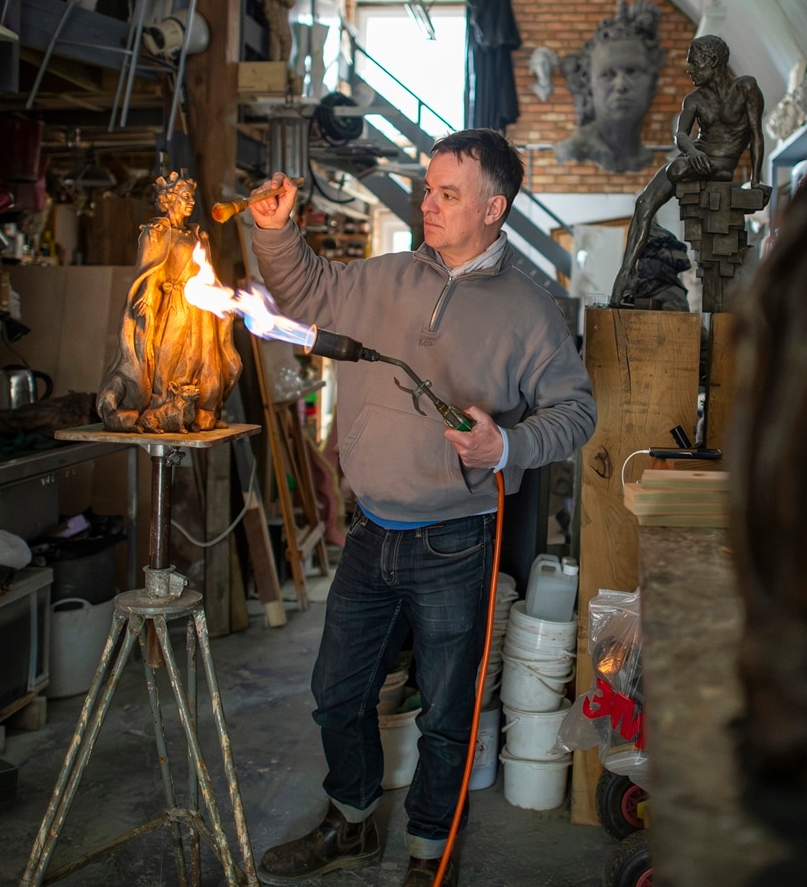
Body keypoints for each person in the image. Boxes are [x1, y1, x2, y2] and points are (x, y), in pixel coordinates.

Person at [247, 129, 597, 887]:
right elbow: (304, 290)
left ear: (494, 208)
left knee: (445, 715)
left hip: (456, 546)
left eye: (447, 194)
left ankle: (427, 852)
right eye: (427, 188)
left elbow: (575, 413)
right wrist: (275, 233)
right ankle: (350, 822)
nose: (426, 203)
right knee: (336, 695)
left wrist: (504, 448)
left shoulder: (530, 311)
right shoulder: (384, 277)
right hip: (372, 534)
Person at [608, 34, 767, 306]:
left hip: (721, 166)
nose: (689, 69)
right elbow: (680, 136)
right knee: (644, 202)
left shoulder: (746, 88)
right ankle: (625, 275)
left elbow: (756, 134)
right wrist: (692, 151)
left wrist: (755, 180)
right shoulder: (694, 100)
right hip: (697, 161)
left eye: (694, 63)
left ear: (713, 61)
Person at [97, 170, 240, 433]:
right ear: (169, 199)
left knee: (204, 360)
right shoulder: (158, 232)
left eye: (192, 197)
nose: (191, 202)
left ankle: (201, 411)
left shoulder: (197, 235)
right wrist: (147, 298)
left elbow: (209, 275)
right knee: (167, 360)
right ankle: (161, 410)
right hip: (172, 307)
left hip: (199, 310)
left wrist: (223, 301)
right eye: (185, 196)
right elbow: (150, 269)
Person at [555, 0, 664, 173]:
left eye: (632, 71)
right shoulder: (571, 151)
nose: (620, 85)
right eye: (608, 75)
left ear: (652, 83)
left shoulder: (643, 156)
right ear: (589, 86)